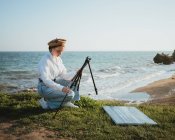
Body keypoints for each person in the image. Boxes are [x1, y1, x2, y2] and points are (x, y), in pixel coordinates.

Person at [37, 38, 80, 109]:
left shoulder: (58, 59)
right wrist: (61, 88)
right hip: (44, 87)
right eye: (58, 51)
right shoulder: (45, 60)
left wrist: (76, 72)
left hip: (54, 82)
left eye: (61, 51)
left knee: (74, 83)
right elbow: (46, 80)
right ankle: (47, 103)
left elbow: (64, 75)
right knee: (70, 94)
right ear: (52, 49)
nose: (60, 53)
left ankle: (66, 102)